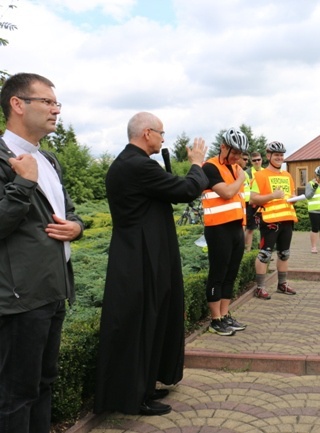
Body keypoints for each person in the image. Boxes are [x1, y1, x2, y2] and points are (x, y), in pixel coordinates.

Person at [94, 112, 208, 416]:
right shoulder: (137, 165)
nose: (163, 138)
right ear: (147, 133)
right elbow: (186, 190)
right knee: (140, 321)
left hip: (144, 251)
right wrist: (197, 162)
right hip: (139, 256)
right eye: (161, 133)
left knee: (151, 319)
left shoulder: (134, 164)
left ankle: (142, 385)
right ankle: (132, 396)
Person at [0, 73, 84, 433]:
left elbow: (70, 211)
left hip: (53, 290)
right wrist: (22, 184)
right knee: (15, 393)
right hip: (20, 299)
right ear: (18, 104)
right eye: (46, 102)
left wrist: (77, 227)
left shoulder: (48, 159)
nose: (55, 110)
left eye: (56, 103)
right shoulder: (5, 159)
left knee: (44, 382)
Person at [202, 128, 249, 336]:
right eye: (235, 152)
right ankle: (215, 320)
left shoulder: (234, 167)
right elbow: (228, 192)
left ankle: (225, 314)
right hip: (217, 228)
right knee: (218, 273)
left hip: (235, 227)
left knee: (231, 273)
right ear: (223, 147)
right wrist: (242, 178)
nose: (238, 157)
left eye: (241, 153)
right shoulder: (210, 167)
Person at [250, 141, 298, 299]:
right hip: (269, 220)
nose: (279, 158)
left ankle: (282, 284)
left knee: (284, 254)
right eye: (276, 155)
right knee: (265, 254)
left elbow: (290, 195)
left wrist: (294, 199)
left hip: (287, 219)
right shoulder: (260, 176)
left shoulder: (287, 175)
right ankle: (260, 287)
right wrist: (272, 196)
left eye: (281, 155)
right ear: (268, 156)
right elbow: (253, 199)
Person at [245, 151, 264, 252]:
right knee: (250, 229)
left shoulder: (266, 172)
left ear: (262, 160)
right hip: (251, 204)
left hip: (264, 203)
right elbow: (246, 189)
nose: (257, 162)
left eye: (259, 160)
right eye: (254, 160)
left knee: (265, 228)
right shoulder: (247, 173)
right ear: (251, 162)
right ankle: (247, 251)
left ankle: (263, 250)